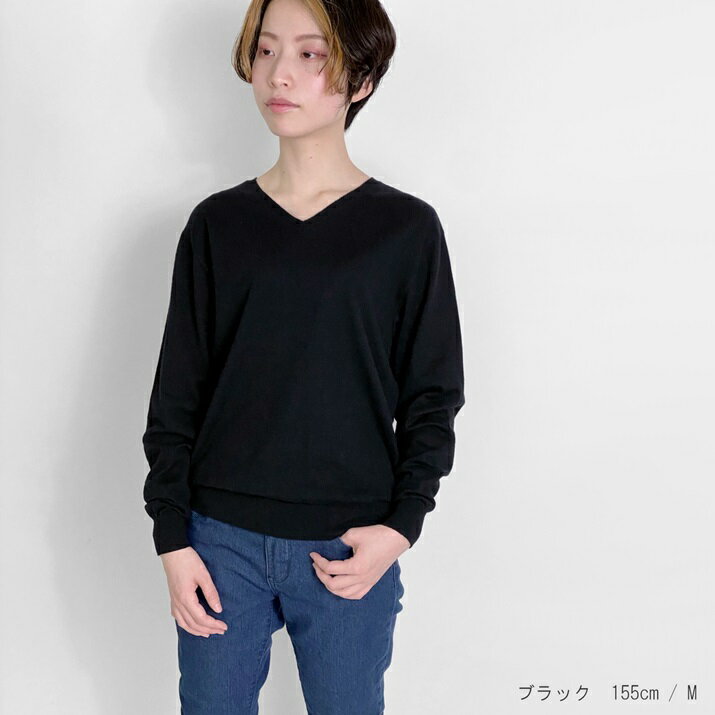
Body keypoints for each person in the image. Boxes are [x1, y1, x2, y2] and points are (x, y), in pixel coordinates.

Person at [141, 0, 465, 712]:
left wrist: (401, 527)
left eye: (311, 54)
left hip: (350, 546)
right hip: (219, 543)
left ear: (362, 79)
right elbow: (176, 394)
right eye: (265, 50)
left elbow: (432, 396)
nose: (278, 73)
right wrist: (172, 537)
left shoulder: (405, 230)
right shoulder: (217, 226)